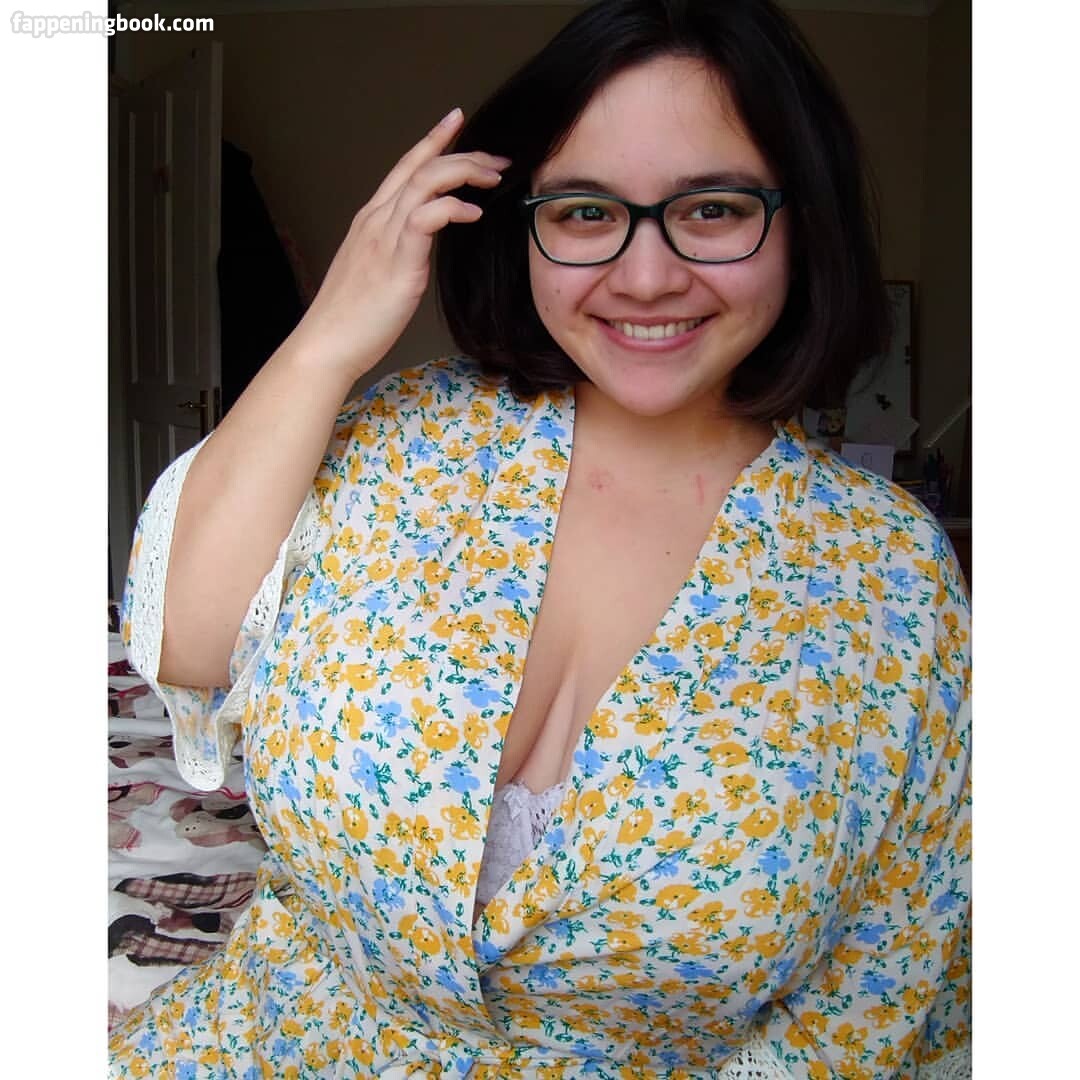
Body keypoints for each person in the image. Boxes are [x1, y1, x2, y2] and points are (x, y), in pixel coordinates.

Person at [109, 0, 971, 1076]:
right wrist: (329, 337)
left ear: (805, 221)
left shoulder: (888, 574)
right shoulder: (400, 437)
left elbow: (886, 988)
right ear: (522, 222)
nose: (646, 277)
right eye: (585, 212)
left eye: (712, 209)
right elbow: (184, 650)